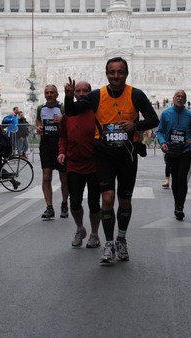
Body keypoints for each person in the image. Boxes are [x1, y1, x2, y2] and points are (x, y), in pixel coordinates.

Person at [64, 57, 159, 265]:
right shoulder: (97, 96)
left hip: (127, 154)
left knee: (124, 200)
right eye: (112, 72)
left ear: (126, 73)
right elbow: (71, 111)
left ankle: (121, 238)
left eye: (120, 72)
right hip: (104, 154)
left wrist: (135, 126)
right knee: (107, 199)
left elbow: (154, 119)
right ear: (106, 74)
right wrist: (69, 97)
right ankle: (108, 243)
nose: (116, 76)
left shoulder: (136, 94)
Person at [57, 81, 101, 248]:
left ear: (91, 93)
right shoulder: (68, 113)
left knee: (94, 202)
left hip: (94, 163)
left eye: (85, 91)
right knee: (74, 202)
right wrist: (61, 151)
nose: (81, 93)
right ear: (74, 94)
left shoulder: (96, 112)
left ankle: (95, 234)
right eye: (78, 91)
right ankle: (80, 228)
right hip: (74, 164)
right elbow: (63, 136)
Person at [156, 90, 191, 220]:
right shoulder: (166, 114)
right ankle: (176, 202)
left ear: (185, 100)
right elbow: (160, 131)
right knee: (175, 179)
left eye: (183, 97)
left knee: (182, 178)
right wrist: (163, 143)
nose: (180, 99)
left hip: (185, 150)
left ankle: (180, 206)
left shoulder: (190, 115)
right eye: (178, 96)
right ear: (173, 98)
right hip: (171, 150)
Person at [36, 85, 69, 219]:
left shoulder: (62, 107)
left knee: (64, 178)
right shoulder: (40, 108)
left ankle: (64, 203)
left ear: (56, 94)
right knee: (46, 177)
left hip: (60, 144)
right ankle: (49, 207)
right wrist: (38, 127)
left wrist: (62, 121)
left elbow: (70, 123)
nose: (49, 94)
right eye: (46, 92)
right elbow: (38, 121)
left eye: (51, 92)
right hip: (46, 145)